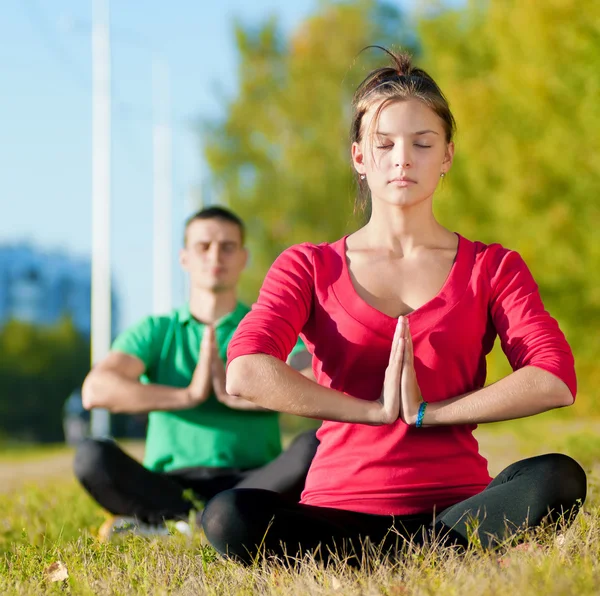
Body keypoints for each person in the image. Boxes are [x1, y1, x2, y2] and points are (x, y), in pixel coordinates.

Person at [200, 49, 587, 564]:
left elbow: (554, 377)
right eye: (384, 145)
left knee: (559, 476)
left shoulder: (492, 267)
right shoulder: (309, 266)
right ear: (359, 157)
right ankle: (424, 555)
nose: (402, 158)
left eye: (422, 143)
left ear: (447, 155)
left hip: (455, 506)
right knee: (228, 515)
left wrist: (428, 413)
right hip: (337, 511)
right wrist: (372, 413)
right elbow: (245, 370)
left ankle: (407, 550)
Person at [74, 206, 318, 539]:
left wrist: (243, 394)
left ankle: (170, 527)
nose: (216, 255)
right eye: (203, 246)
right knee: (91, 454)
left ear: (243, 257)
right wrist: (187, 395)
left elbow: (318, 381)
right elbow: (96, 390)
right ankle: (199, 521)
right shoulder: (157, 330)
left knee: (314, 444)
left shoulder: (268, 328)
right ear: (185, 258)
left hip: (252, 480)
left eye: (228, 246)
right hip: (169, 484)